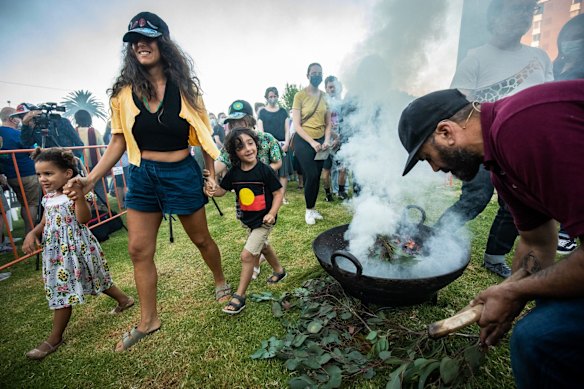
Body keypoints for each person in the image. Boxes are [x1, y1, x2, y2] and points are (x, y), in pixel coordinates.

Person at [398, 80, 584, 389]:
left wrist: (514, 292)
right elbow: (536, 241)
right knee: (547, 312)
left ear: (446, 132)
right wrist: (510, 292)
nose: (433, 169)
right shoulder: (500, 166)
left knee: (538, 340)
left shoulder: (520, 126)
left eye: (427, 157)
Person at [64, 11, 229, 351]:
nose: (141, 43)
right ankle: (149, 320)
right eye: (134, 40)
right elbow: (119, 141)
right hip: (142, 176)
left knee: (201, 239)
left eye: (149, 37)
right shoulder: (123, 94)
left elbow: (203, 134)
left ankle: (220, 279)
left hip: (181, 172)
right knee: (139, 250)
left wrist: (210, 175)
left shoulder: (185, 89)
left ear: (163, 42)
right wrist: (91, 179)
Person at [434, 0, 553, 278]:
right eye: (515, 9)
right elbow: (456, 107)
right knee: (476, 197)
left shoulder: (540, 57)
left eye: (528, 10)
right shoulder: (476, 58)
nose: (523, 16)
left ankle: (495, 255)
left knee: (517, 205)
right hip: (482, 145)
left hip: (523, 148)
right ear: (495, 18)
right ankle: (434, 238)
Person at [22, 148, 134, 360]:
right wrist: (33, 233)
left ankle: (54, 339)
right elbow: (45, 221)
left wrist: (80, 197)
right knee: (79, 283)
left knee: (84, 283)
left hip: (78, 246)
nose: (42, 179)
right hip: (57, 251)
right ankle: (125, 300)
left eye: (48, 173)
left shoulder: (77, 192)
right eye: (39, 175)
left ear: (67, 173)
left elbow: (83, 219)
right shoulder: (49, 198)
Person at [206, 128, 286, 315]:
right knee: (263, 246)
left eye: (251, 143)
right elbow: (221, 191)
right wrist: (210, 188)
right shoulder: (234, 172)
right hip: (248, 220)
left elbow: (278, 193)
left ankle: (239, 297)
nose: (248, 149)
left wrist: (272, 213)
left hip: (264, 221)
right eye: (241, 147)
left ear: (256, 145)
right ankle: (279, 271)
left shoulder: (265, 170)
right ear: (234, 153)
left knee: (247, 255)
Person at [214, 100, 282, 280]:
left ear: (250, 120)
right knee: (256, 233)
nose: (236, 125)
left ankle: (254, 262)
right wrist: (206, 175)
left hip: (266, 198)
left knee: (257, 236)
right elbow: (220, 163)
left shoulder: (267, 139)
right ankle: (277, 269)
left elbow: (277, 161)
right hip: (246, 201)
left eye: (241, 121)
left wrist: (261, 174)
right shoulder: (232, 144)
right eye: (233, 122)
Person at [553, 13, 584, 255]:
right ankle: (565, 229)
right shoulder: (558, 65)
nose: (573, 43)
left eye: (579, 38)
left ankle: (568, 232)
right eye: (569, 38)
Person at [292, 63, 332, 225]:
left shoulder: (325, 97)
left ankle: (313, 208)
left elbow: (328, 123)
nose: (317, 75)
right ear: (307, 75)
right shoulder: (299, 96)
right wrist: (312, 142)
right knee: (312, 175)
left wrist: (327, 140)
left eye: (320, 73)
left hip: (321, 141)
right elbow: (297, 125)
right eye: (314, 72)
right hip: (303, 141)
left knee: (316, 176)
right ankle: (308, 211)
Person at [1, 107, 41, 233]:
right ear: (11, 119)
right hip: (27, 174)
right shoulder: (17, 134)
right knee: (31, 204)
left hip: (10, 176)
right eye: (18, 117)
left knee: (24, 204)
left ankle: (29, 232)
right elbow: (32, 149)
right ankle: (31, 233)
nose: (21, 120)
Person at [257, 87, 291, 204]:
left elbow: (287, 129)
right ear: (266, 97)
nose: (273, 98)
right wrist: (270, 144)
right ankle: (271, 195)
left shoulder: (283, 111)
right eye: (270, 96)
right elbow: (261, 132)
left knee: (283, 173)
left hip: (283, 145)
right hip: (268, 145)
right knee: (269, 171)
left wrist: (287, 143)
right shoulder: (262, 112)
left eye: (274, 96)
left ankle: (282, 196)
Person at [18, 103, 84, 157]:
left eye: (25, 116)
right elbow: (26, 144)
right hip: (49, 164)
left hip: (67, 163)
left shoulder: (61, 122)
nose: (24, 119)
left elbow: (79, 143)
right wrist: (25, 125)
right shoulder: (34, 129)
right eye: (21, 117)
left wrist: (73, 157)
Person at [74, 109, 108, 206]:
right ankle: (101, 208)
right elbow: (102, 150)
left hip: (80, 166)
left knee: (84, 190)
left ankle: (89, 208)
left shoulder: (73, 131)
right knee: (99, 187)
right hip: (95, 164)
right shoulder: (94, 131)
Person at [323, 76, 348, 200]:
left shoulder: (344, 103)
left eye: (334, 86)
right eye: (330, 87)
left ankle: (341, 192)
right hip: (327, 139)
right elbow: (322, 124)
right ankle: (328, 194)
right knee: (326, 168)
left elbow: (348, 122)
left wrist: (339, 138)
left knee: (343, 167)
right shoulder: (323, 104)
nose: (333, 89)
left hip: (342, 139)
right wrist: (333, 136)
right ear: (326, 89)